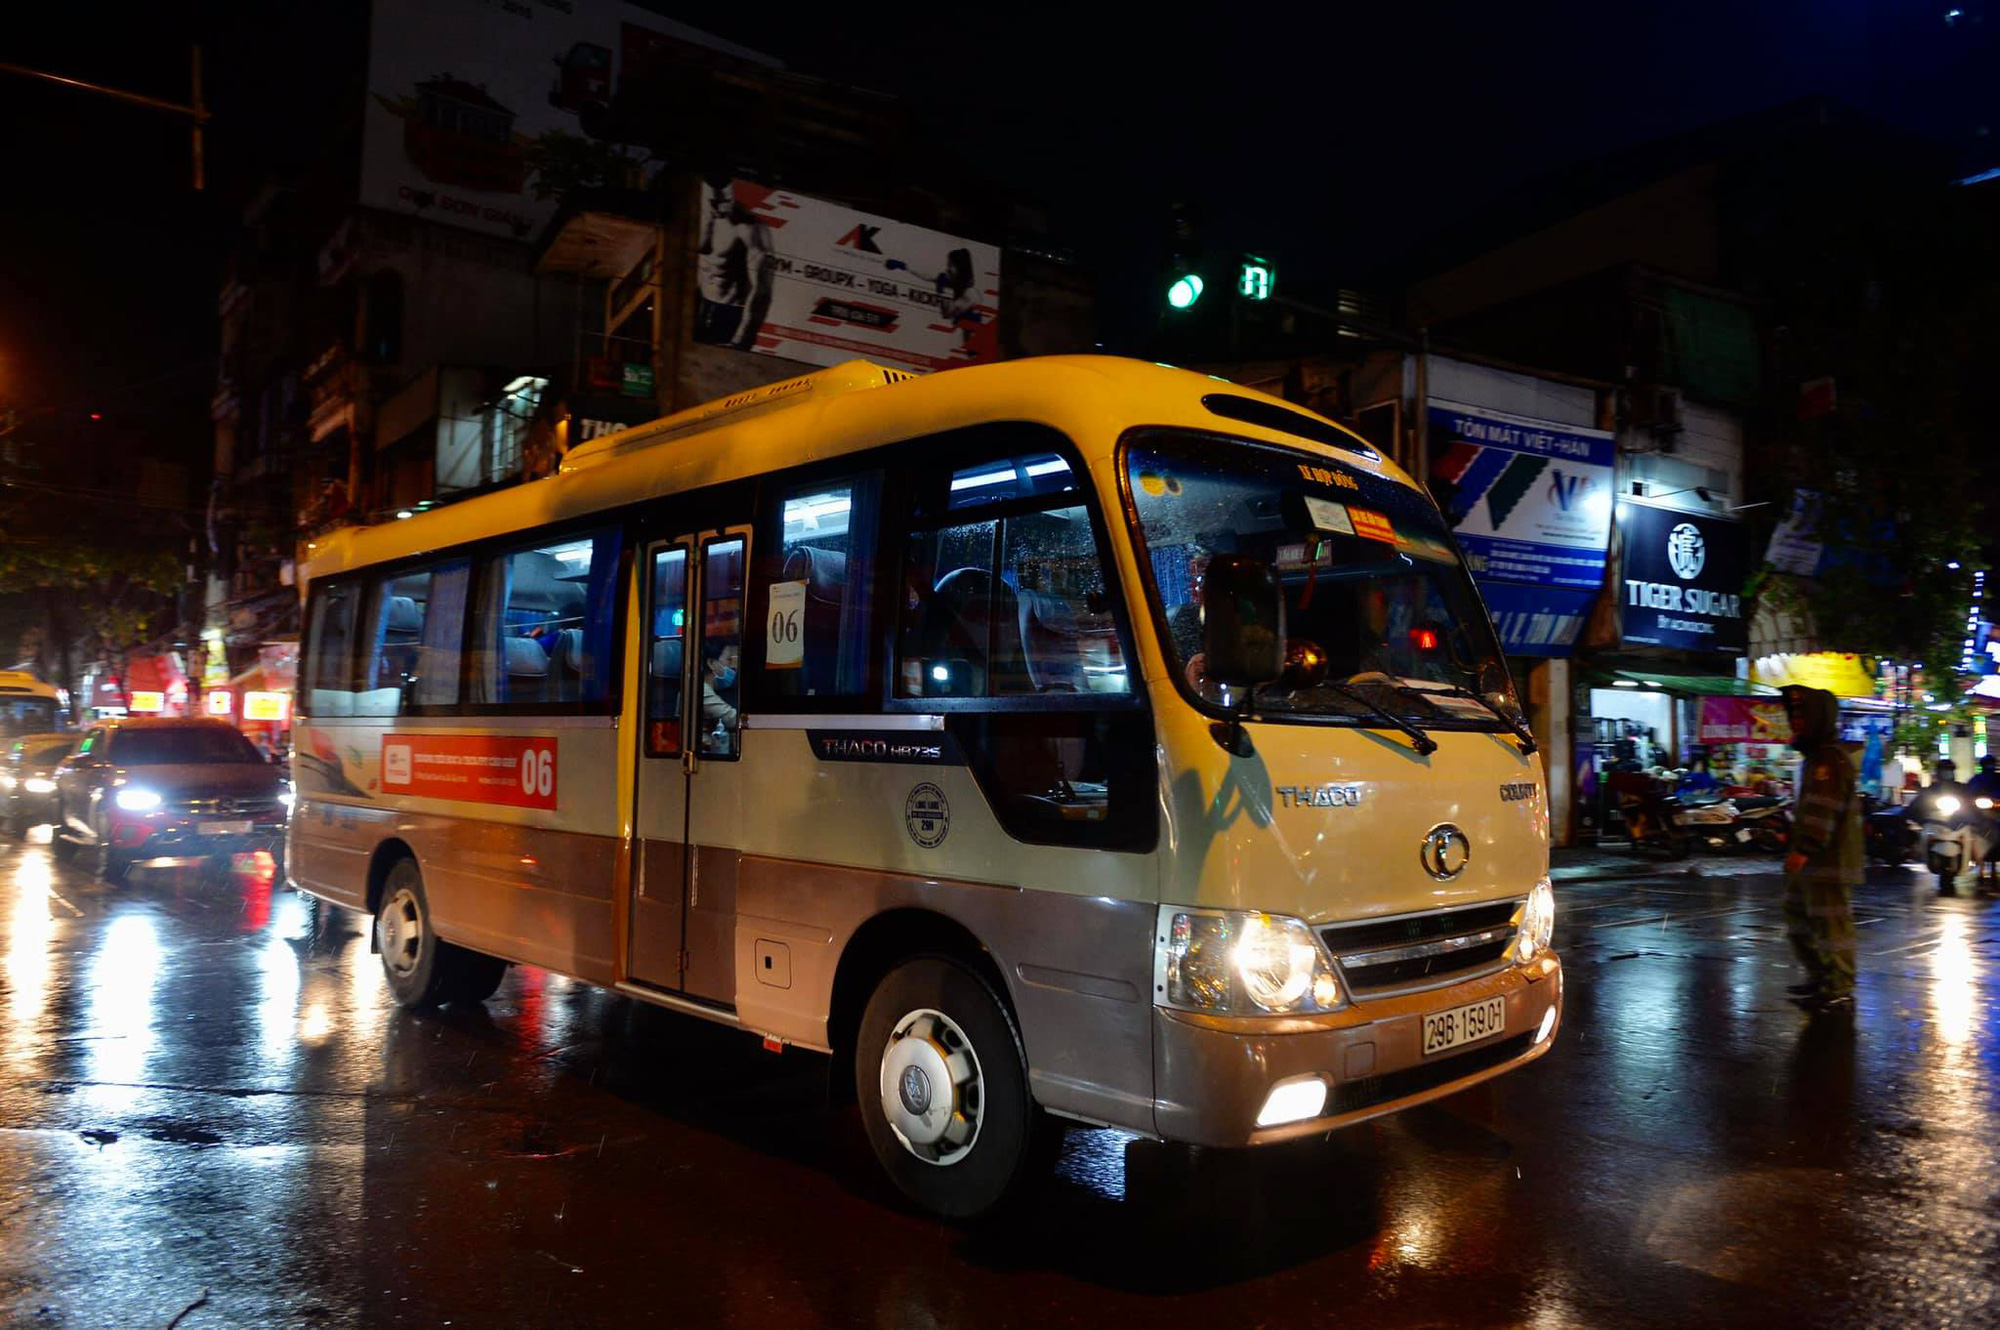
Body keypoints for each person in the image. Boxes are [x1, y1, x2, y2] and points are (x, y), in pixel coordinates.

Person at [1779, 685, 1863, 1012]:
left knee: (1831, 925)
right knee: (1797, 915)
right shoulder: (1815, 757)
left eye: (1803, 714)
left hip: (1828, 861)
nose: (1796, 721)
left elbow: (1821, 809)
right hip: (1813, 860)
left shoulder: (1828, 759)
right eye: (1793, 714)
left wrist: (1805, 848)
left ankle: (1839, 984)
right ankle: (1821, 977)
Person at [694, 175, 774, 351]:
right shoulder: (694, 218)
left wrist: (744, 335)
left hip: (729, 312)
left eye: (726, 201)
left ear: (732, 195)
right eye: (714, 202)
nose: (721, 208)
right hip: (701, 306)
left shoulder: (749, 228)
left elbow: (762, 290)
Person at [699, 641, 740, 753]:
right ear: (711, 663)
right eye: (728, 660)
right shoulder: (702, 690)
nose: (732, 667)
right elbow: (732, 719)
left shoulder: (713, 690)